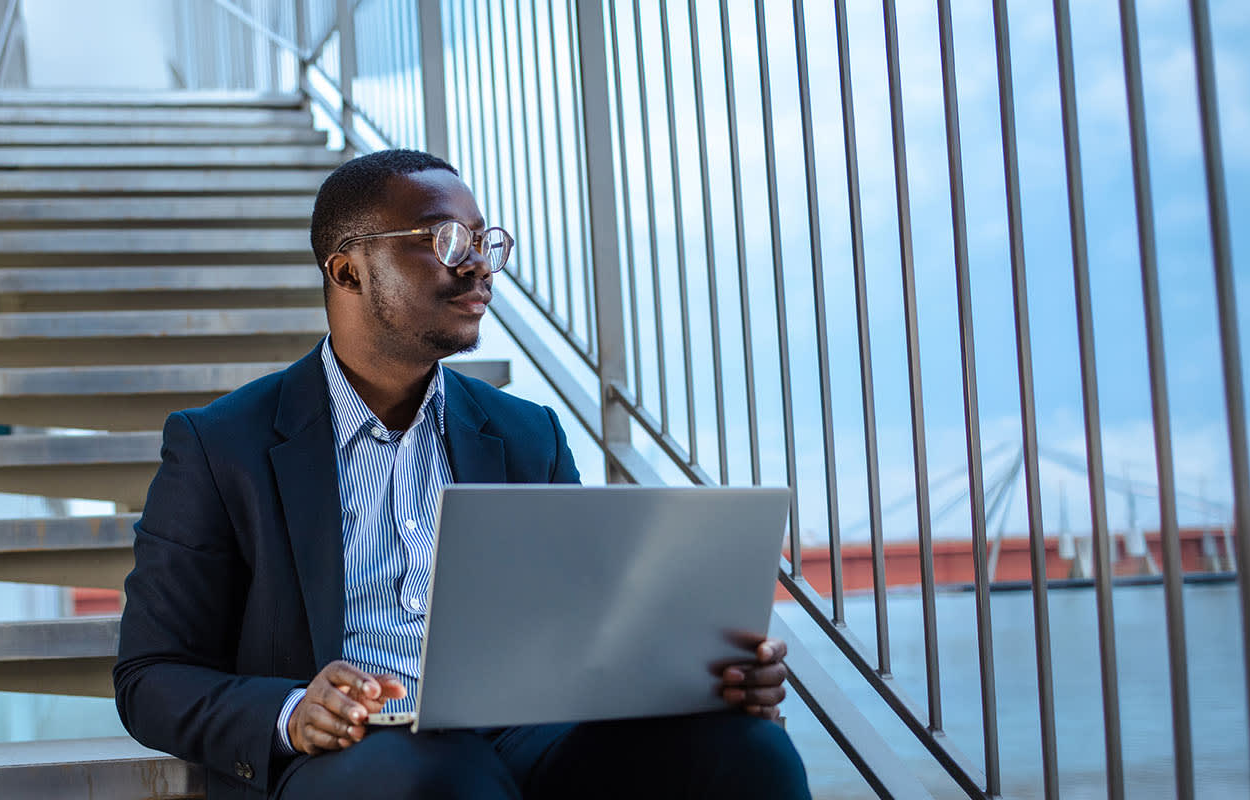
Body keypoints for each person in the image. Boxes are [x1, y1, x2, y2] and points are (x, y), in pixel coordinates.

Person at [113, 149, 809, 799]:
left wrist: (701, 675)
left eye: (483, 241)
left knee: (745, 749)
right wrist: (294, 711)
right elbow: (150, 676)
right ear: (348, 271)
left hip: (524, 739)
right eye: (445, 239)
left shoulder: (527, 434)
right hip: (351, 758)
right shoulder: (220, 446)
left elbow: (582, 633)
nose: (478, 265)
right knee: (443, 775)